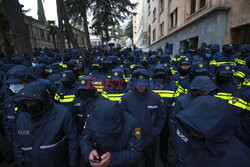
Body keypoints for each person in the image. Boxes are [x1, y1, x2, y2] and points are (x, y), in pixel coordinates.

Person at [13, 82, 79, 167]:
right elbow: (17, 145)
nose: (29, 105)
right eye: (26, 102)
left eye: (32, 101)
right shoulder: (21, 117)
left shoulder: (63, 114)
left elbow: (73, 143)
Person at [172, 95, 250, 167]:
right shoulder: (184, 128)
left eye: (199, 129)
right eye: (191, 125)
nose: (192, 132)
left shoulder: (239, 159)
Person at [120, 69, 166, 167]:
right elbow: (122, 118)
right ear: (133, 83)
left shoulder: (156, 98)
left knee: (150, 161)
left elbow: (161, 117)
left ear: (147, 83)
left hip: (149, 137)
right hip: (131, 139)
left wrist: (154, 133)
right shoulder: (126, 98)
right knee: (132, 162)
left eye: (143, 84)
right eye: (138, 84)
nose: (141, 87)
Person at [80, 99, 141, 167]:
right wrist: (88, 151)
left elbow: (135, 153)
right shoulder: (92, 118)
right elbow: (84, 138)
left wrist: (112, 159)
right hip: (99, 160)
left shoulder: (132, 124)